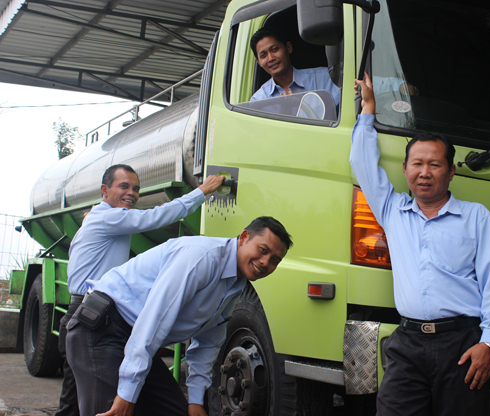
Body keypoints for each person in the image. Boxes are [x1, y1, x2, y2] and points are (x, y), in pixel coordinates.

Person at [350, 73, 490, 416]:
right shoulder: (393, 210)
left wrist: (489, 342)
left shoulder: (476, 217)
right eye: (417, 164)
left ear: (451, 172)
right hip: (408, 342)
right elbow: (362, 164)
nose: (425, 172)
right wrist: (368, 110)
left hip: (463, 343)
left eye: (435, 165)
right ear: (406, 168)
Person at [65, 216, 292, 416]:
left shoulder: (235, 284)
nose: (265, 263)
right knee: (114, 411)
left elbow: (208, 342)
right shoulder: (203, 258)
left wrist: (195, 401)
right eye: (263, 250)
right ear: (243, 237)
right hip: (103, 329)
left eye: (275, 260)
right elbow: (154, 320)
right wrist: (127, 394)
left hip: (135, 338)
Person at [54, 164, 224, 416]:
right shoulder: (108, 217)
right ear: (104, 190)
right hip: (92, 314)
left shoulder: (100, 217)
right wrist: (201, 191)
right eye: (124, 186)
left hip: (89, 311)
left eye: (136, 188)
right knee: (89, 404)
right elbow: (155, 216)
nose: (131, 193)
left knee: (73, 402)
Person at [249, 27, 341, 106]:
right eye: (263, 55)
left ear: (288, 47)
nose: (271, 58)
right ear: (259, 62)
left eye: (274, 49)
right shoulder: (258, 100)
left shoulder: (327, 78)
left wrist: (303, 106)